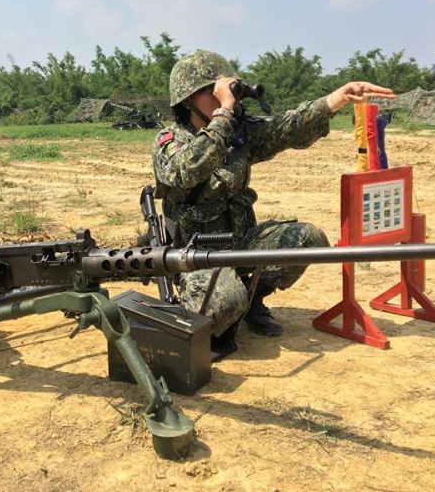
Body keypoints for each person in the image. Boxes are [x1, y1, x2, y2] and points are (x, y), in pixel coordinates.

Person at [151, 50, 394, 347]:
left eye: (226, 90)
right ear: (188, 99)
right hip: (198, 256)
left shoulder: (237, 133)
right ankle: (224, 297)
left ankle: (252, 298)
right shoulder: (171, 140)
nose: (222, 97)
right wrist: (223, 115)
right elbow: (184, 170)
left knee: (307, 240)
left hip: (242, 244)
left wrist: (336, 99)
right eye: (211, 92)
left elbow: (285, 129)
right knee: (224, 304)